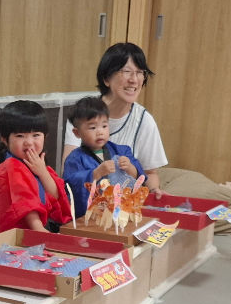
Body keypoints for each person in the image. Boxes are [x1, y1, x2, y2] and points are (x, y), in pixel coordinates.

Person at [62, 43, 167, 195]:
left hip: (125, 200)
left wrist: (154, 191)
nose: (134, 80)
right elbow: (69, 171)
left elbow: (150, 173)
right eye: (127, 71)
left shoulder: (145, 120)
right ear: (106, 79)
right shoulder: (83, 114)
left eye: (139, 72)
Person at [0, 100, 72, 235]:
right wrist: (39, 230)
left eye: (36, 135)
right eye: (20, 136)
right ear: (4, 139)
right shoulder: (11, 166)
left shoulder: (38, 164)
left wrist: (42, 172)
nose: (29, 142)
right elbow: (26, 203)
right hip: (19, 235)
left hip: (35, 231)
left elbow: (56, 195)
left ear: (45, 137)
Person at [62, 96, 145, 215]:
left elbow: (139, 177)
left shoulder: (121, 151)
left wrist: (130, 167)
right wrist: (95, 174)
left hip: (122, 209)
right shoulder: (74, 159)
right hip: (94, 213)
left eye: (104, 126)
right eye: (92, 127)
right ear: (77, 132)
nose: (100, 132)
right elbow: (71, 187)